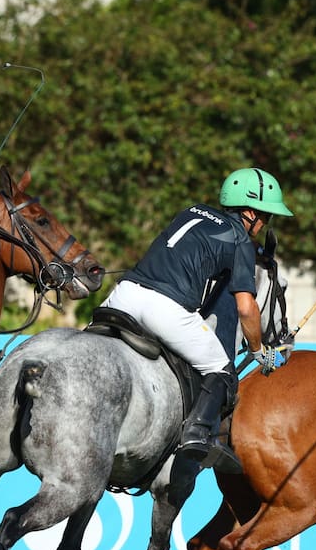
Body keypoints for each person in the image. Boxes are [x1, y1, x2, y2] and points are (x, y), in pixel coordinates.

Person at [102, 167, 294, 474]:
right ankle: (197, 434)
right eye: (265, 216)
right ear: (249, 212)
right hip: (164, 309)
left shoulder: (191, 212)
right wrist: (259, 351)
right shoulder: (240, 240)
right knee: (221, 368)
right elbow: (246, 308)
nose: (264, 224)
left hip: (122, 295)